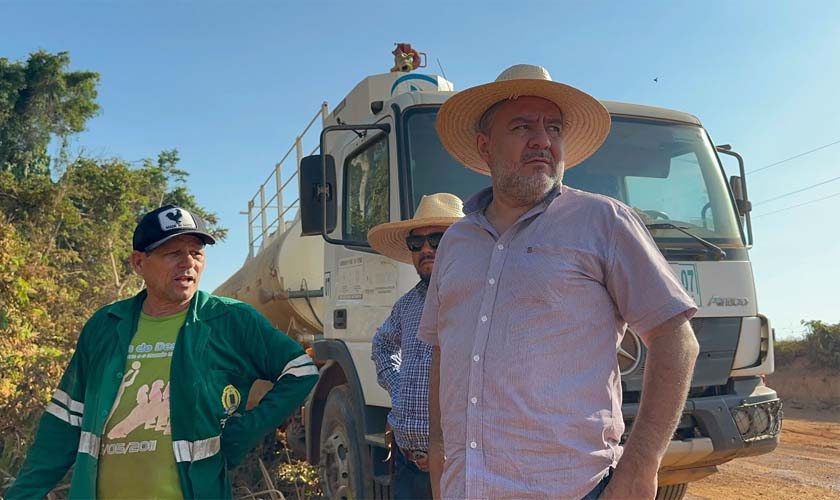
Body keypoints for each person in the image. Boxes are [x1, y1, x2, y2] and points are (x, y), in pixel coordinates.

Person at [418, 64, 700, 500]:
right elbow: (443, 350)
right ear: (484, 145)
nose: (542, 140)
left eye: (553, 128)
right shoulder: (456, 241)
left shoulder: (604, 221)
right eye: (522, 126)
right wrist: (439, 452)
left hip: (572, 489)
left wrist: (640, 466)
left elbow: (676, 340)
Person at [7, 204, 319, 499]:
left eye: (196, 253)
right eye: (173, 253)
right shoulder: (106, 326)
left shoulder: (231, 321)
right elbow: (64, 421)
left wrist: (245, 431)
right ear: (138, 263)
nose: (188, 263)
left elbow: (301, 370)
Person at [368, 193, 465, 500]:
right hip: (407, 465)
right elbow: (382, 345)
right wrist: (399, 389)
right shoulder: (406, 305)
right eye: (416, 242)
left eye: (437, 239)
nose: (426, 249)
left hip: (459, 469)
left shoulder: (479, 301)